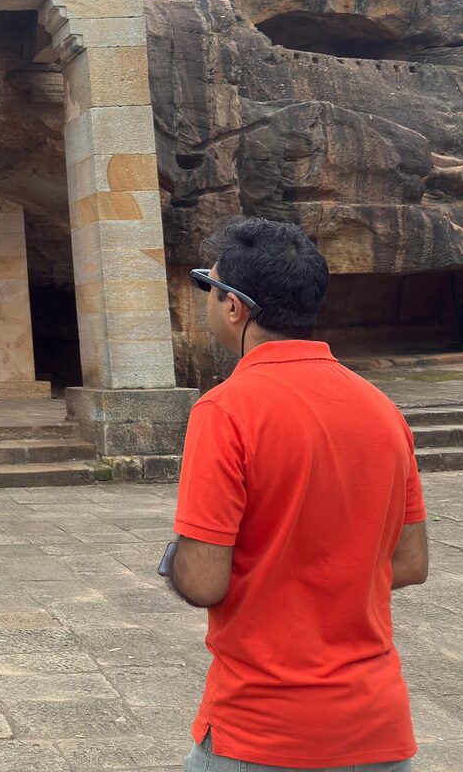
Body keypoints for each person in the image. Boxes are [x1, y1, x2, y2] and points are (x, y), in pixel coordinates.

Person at [164, 217, 429, 772]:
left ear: (234, 306)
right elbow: (409, 562)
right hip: (377, 725)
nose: (208, 303)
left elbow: (204, 580)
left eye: (207, 288)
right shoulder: (383, 410)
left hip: (263, 728)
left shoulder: (226, 410)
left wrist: (179, 562)